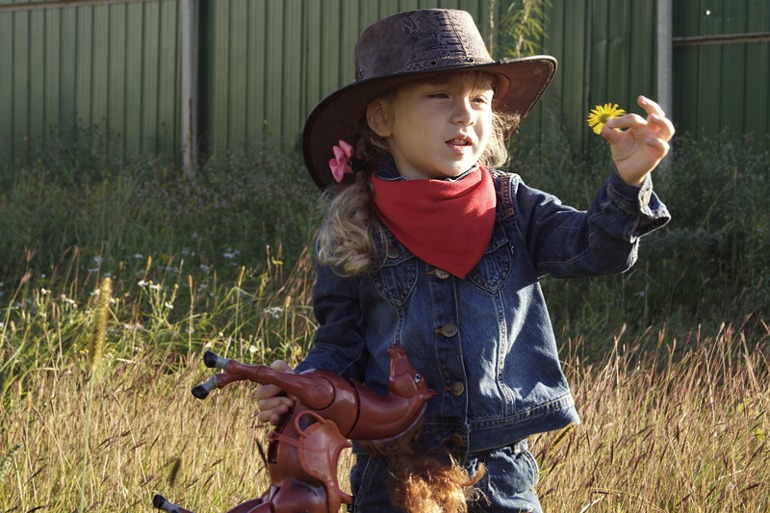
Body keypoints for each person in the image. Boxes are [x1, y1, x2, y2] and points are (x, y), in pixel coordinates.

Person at [257, 8, 673, 513]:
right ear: (382, 117)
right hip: (392, 475)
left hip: (498, 475)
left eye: (479, 99)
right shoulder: (355, 227)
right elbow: (339, 347)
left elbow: (598, 250)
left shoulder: (515, 207)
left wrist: (628, 184)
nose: (464, 114)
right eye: (439, 95)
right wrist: (300, 391)